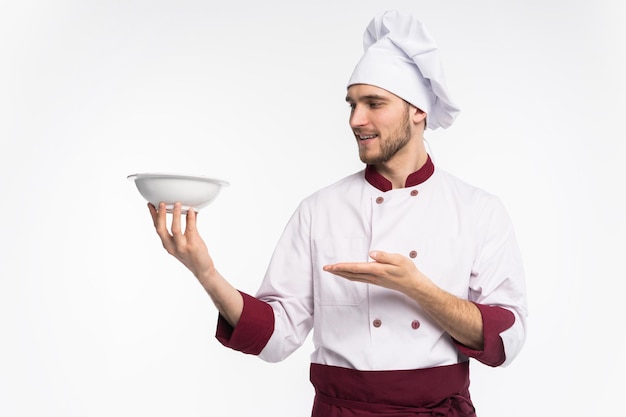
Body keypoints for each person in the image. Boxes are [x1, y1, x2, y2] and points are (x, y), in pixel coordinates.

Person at [148, 9, 527, 417]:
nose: (355, 120)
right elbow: (275, 338)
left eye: (374, 104)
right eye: (352, 104)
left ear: (419, 111)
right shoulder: (319, 210)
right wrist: (204, 271)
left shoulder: (477, 210)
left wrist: (417, 288)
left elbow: (506, 339)